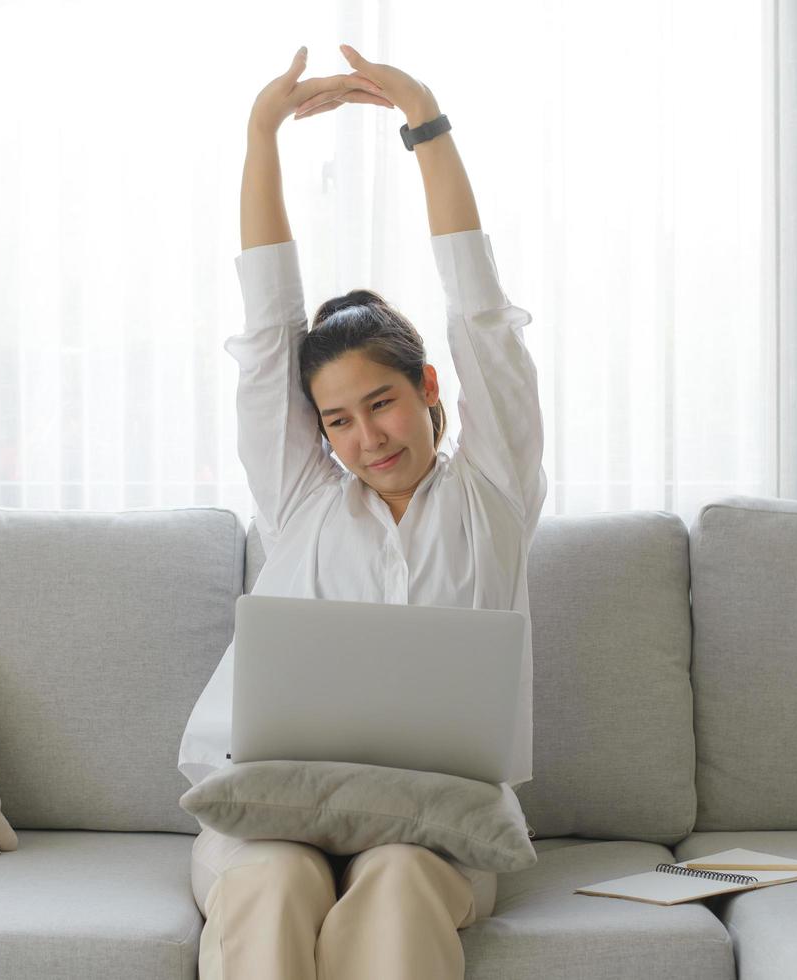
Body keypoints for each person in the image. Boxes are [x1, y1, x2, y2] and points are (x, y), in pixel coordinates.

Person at [177, 42, 548, 980]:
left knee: (395, 883)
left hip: (434, 825)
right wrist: (261, 135)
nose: (366, 438)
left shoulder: (493, 494)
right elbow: (269, 330)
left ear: (427, 389)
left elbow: (483, 317)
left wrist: (424, 127)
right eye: (337, 421)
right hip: (271, 809)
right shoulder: (303, 496)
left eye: (380, 404)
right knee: (273, 888)